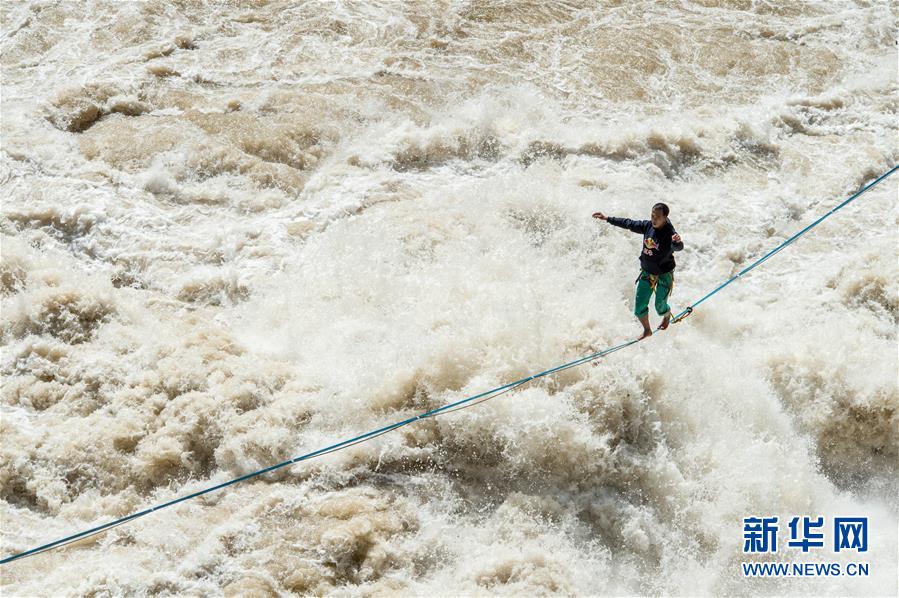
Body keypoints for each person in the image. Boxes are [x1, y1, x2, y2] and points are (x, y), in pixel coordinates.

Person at [592, 203, 684, 340]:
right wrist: (607, 218)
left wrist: (676, 242)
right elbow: (628, 223)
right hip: (647, 272)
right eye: (652, 215)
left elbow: (678, 247)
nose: (654, 219)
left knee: (660, 306)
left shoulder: (669, 233)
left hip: (664, 274)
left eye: (658, 217)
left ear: (665, 218)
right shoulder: (647, 226)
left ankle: (666, 315)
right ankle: (647, 330)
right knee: (639, 308)